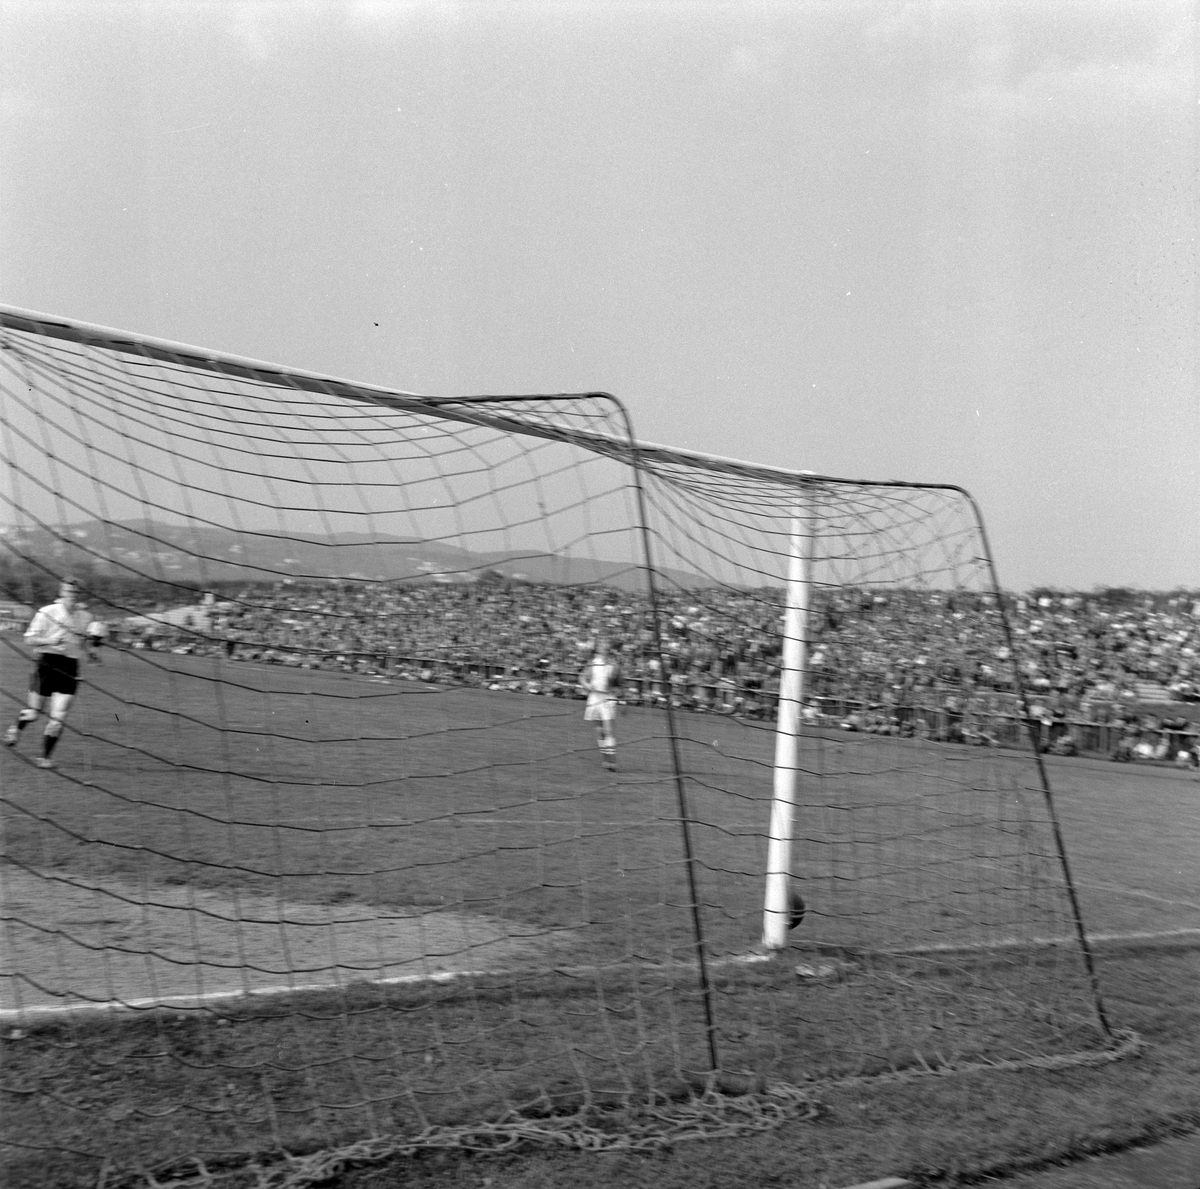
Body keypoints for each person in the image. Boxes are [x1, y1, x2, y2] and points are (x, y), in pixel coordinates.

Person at [4, 578, 93, 768]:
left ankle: (44, 757)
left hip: (70, 667)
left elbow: (83, 643)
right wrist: (50, 641)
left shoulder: (85, 617)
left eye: (75, 592)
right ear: (61, 592)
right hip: (46, 663)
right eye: (69, 591)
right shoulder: (47, 612)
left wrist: (92, 651)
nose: (72, 595)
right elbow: (29, 639)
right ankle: (16, 728)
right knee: (34, 713)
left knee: (58, 718)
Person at [579, 638, 621, 771]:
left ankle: (612, 761)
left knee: (608, 730)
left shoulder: (614, 665)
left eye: (606, 645)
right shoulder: (592, 663)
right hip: (594, 698)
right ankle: (605, 760)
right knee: (599, 732)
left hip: (607, 698)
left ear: (609, 649)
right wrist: (587, 685)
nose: (603, 647)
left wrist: (619, 694)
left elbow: (620, 683)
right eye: (601, 645)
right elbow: (582, 677)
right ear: (598, 648)